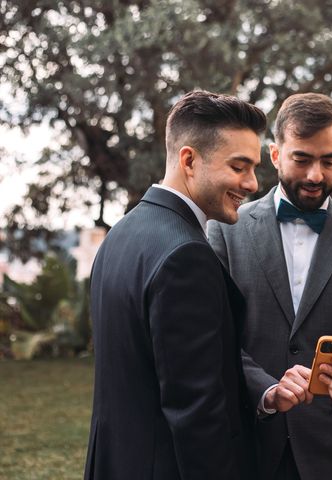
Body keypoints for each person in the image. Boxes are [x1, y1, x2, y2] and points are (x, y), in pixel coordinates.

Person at [208, 92, 332, 480]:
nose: (316, 175)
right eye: (302, 159)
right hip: (250, 443)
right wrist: (267, 390)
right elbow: (216, 338)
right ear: (276, 155)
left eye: (328, 161)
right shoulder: (225, 230)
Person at [84, 90, 266, 480]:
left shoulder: (122, 233)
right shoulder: (186, 256)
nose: (252, 183)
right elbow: (195, 412)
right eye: (239, 166)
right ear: (189, 160)